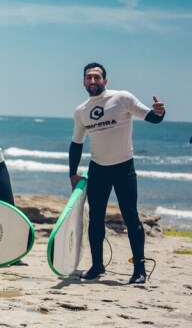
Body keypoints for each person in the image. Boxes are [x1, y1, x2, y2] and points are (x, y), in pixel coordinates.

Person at [69, 62, 165, 284]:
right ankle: (97, 266)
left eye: (97, 77)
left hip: (124, 168)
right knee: (95, 220)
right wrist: (72, 173)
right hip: (98, 169)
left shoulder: (122, 98)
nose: (93, 81)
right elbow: (76, 143)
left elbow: (151, 116)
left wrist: (160, 113)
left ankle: (139, 270)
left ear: (105, 80)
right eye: (89, 77)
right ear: (84, 81)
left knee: (131, 217)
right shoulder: (81, 111)